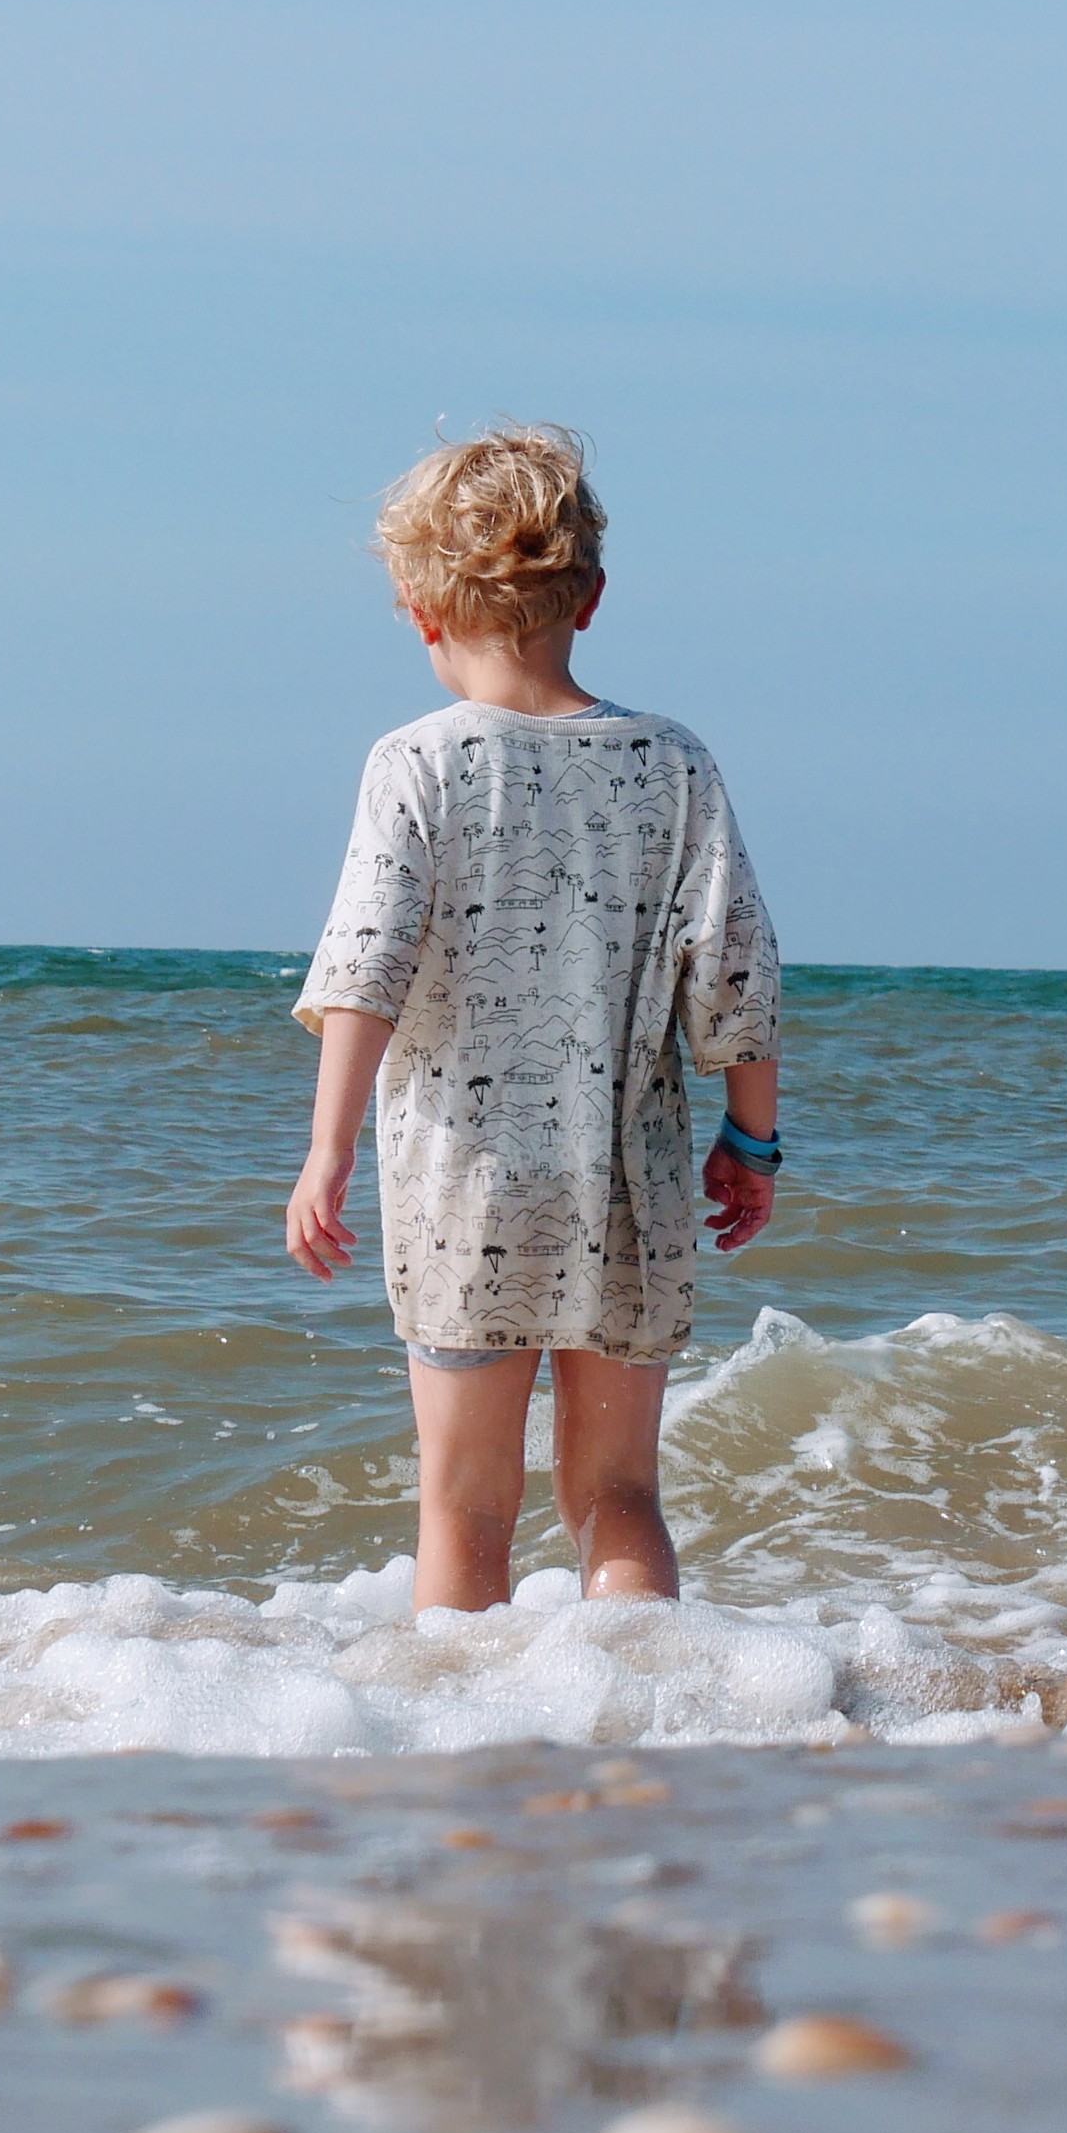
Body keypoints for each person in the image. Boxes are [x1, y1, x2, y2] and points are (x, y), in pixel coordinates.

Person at [282, 425, 781, 1611]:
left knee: (463, 1502)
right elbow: (736, 974)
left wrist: (327, 1149)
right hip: (629, 1182)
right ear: (592, 597)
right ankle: (634, 1740)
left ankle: (467, 1776)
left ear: (418, 610)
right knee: (619, 1497)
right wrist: (750, 1140)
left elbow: (368, 966)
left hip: (467, 1189)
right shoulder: (673, 763)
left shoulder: (418, 763)